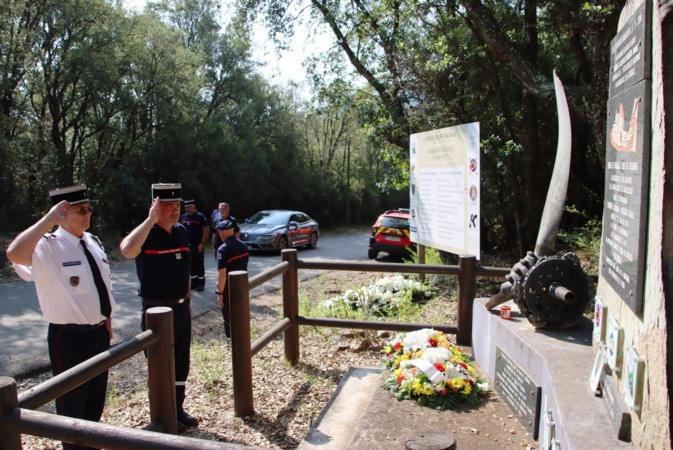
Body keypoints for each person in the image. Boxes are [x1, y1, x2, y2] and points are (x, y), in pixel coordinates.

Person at [7, 184, 115, 450]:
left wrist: (107, 318)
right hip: (69, 338)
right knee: (72, 410)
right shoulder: (47, 247)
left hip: (98, 333)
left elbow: (103, 285)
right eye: (80, 210)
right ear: (61, 213)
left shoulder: (92, 241)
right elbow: (14, 253)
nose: (87, 213)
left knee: (95, 403)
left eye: (89, 208)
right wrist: (48, 220)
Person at [119, 182, 198, 430]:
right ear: (154, 206)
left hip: (181, 308)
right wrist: (150, 220)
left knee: (182, 362)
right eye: (167, 205)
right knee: (161, 363)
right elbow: (127, 250)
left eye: (177, 205)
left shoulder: (182, 232)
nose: (175, 210)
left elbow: (185, 268)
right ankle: (163, 415)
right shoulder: (146, 234)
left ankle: (177, 408)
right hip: (156, 311)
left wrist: (188, 299)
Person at [215, 219, 249, 338]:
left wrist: (220, 293)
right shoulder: (244, 246)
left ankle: (231, 338)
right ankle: (243, 335)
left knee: (228, 314)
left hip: (228, 287)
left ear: (221, 232)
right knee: (241, 311)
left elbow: (222, 274)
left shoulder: (222, 249)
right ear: (233, 230)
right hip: (243, 284)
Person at [180, 199, 209, 291]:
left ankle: (201, 283)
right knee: (191, 264)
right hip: (187, 245)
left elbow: (206, 230)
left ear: (193, 207)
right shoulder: (184, 217)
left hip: (198, 244)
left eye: (189, 207)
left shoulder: (200, 217)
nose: (187, 209)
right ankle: (194, 283)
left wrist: (202, 243)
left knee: (199, 263)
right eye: (186, 207)